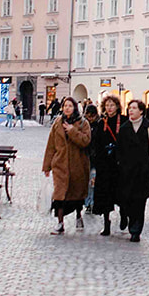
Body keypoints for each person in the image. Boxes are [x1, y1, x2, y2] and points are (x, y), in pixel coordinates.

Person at [41, 98, 92, 234]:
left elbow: (86, 141)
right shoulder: (57, 123)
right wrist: (47, 166)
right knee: (59, 195)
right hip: (60, 164)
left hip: (78, 165)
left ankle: (78, 215)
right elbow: (51, 145)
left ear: (75, 108)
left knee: (76, 194)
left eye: (70, 106)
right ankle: (60, 223)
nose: (67, 108)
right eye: (65, 106)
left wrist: (72, 131)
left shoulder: (82, 123)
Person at [115, 99, 149, 242]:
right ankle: (126, 217)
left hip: (142, 172)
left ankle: (136, 230)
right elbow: (119, 149)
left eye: (134, 108)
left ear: (141, 110)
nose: (131, 110)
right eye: (129, 108)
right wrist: (121, 163)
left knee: (140, 203)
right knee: (127, 200)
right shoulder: (124, 128)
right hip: (127, 171)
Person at [90, 96, 124, 236]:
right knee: (105, 195)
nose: (110, 108)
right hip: (104, 164)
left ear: (117, 107)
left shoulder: (123, 121)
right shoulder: (100, 123)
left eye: (112, 105)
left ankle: (124, 215)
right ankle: (106, 223)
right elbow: (95, 143)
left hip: (119, 164)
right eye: (107, 105)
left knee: (121, 193)